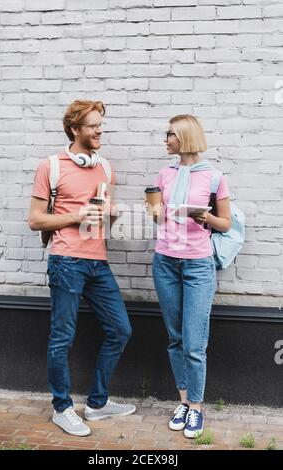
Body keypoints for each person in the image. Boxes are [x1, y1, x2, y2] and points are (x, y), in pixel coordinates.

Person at [28, 100, 135, 437]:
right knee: (62, 337)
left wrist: (111, 213)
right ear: (75, 129)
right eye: (92, 125)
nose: (99, 130)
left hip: (97, 262)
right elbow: (35, 220)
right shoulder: (51, 166)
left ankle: (97, 403)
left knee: (121, 329)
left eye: (101, 124)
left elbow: (102, 211)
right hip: (66, 261)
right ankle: (62, 407)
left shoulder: (106, 168)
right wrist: (75, 216)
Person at [150, 114, 231, 438]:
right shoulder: (164, 174)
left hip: (198, 266)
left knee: (195, 343)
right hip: (165, 262)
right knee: (176, 338)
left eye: (169, 134)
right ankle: (183, 401)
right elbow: (156, 216)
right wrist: (154, 210)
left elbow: (225, 223)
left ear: (183, 137)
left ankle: (196, 408)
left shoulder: (213, 177)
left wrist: (205, 215)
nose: (165, 139)